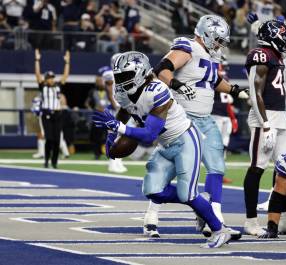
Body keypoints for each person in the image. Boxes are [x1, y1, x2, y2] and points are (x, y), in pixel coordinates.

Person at [93, 51, 234, 248]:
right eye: (118, 76)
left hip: (185, 140)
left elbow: (149, 134)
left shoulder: (157, 90)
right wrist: (111, 136)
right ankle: (202, 200)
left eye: (125, 76)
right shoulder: (124, 92)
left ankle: (220, 230)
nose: (120, 81)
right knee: (153, 191)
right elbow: (125, 110)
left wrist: (119, 128)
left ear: (141, 73)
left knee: (187, 194)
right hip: (166, 143)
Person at [146, 14, 248, 238]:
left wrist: (235, 90)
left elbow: (212, 80)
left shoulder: (212, 55)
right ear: (207, 34)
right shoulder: (188, 47)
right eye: (218, 39)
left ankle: (216, 218)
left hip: (205, 118)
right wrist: (176, 84)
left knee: (216, 166)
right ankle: (151, 216)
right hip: (181, 119)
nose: (220, 44)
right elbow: (161, 69)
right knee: (167, 171)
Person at [243, 19, 286, 236]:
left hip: (281, 117)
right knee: (257, 168)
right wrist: (266, 125)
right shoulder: (260, 54)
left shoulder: (278, 54)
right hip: (266, 117)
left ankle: (284, 219)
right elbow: (255, 93)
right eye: (285, 36)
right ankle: (251, 221)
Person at [34, 49, 70, 168]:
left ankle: (54, 162)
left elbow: (65, 76)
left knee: (57, 140)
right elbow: (37, 75)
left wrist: (67, 62)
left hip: (58, 115)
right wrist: (37, 60)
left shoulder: (58, 86)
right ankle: (46, 160)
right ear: (46, 79)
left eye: (52, 77)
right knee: (49, 139)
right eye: (49, 77)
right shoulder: (42, 86)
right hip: (46, 114)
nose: (51, 79)